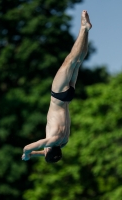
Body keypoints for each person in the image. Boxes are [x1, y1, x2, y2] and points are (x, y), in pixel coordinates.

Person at [22, 10, 92, 163]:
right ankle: (83, 28)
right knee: (70, 61)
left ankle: (86, 30)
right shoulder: (51, 140)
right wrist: (28, 154)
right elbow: (27, 147)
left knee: (78, 61)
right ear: (48, 149)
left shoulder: (63, 141)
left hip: (68, 97)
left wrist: (35, 154)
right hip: (57, 97)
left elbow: (45, 151)